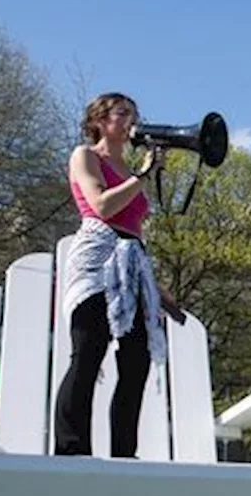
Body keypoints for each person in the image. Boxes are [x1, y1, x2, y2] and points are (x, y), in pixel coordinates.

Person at [55, 92, 180, 457]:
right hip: (96, 258)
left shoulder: (132, 170)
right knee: (89, 351)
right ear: (99, 120)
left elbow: (135, 231)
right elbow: (102, 205)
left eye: (133, 115)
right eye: (122, 113)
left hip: (132, 262)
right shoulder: (86, 156)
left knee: (136, 358)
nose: (130, 122)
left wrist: (156, 289)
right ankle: (72, 448)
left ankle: (124, 451)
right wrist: (142, 174)